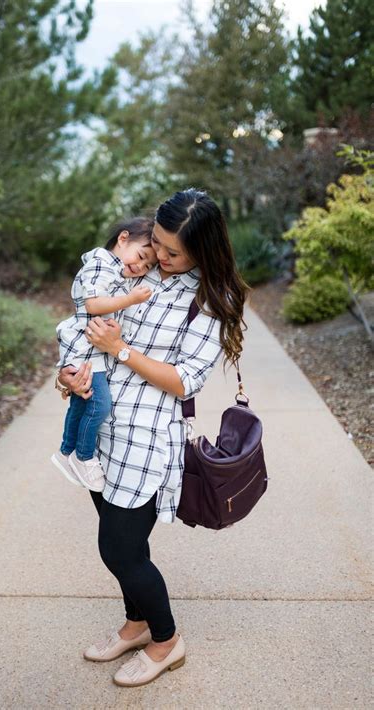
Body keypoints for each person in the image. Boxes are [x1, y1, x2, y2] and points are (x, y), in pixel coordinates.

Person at [56, 188, 250, 687]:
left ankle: (166, 641)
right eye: (158, 244)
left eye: (173, 252)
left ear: (202, 250)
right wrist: (69, 374)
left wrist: (120, 351)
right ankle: (136, 624)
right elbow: (82, 325)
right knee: (129, 544)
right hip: (102, 427)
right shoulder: (132, 266)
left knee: (119, 550)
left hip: (145, 439)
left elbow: (186, 379)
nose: (160, 258)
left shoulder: (211, 297)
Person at [51, 217, 158, 492]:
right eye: (141, 256)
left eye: (147, 266)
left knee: (81, 402)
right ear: (123, 239)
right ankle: (83, 456)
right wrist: (132, 299)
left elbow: (101, 309)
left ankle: (66, 451)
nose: (140, 267)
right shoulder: (101, 263)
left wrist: (115, 323)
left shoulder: (115, 271)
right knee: (99, 404)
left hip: (86, 345)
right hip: (85, 348)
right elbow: (94, 303)